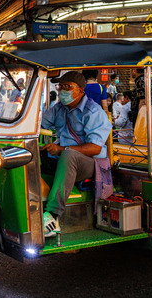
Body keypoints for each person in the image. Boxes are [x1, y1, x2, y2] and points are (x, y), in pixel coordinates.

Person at [40, 71, 113, 237]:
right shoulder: (58, 108)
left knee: (68, 155)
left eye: (67, 87)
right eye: (61, 87)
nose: (62, 91)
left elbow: (95, 148)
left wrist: (61, 150)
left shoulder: (93, 112)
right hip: (63, 157)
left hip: (91, 163)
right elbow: (39, 123)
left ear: (81, 90)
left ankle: (52, 216)